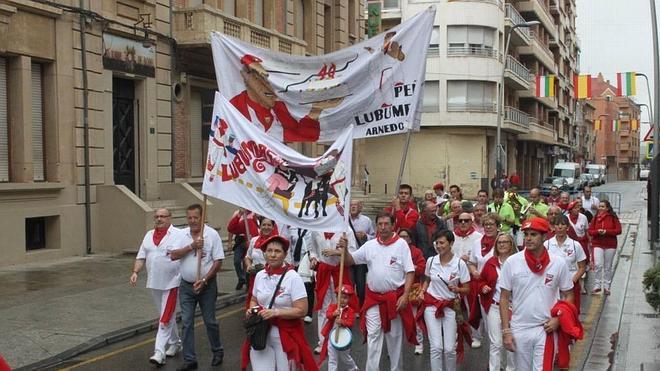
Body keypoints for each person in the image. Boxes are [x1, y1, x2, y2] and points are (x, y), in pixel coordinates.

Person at [331, 212, 417, 371]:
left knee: (394, 339)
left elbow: (410, 271)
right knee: (373, 337)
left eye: (386, 224)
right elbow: (351, 261)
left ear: (393, 226)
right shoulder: (370, 245)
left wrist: (405, 295)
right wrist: (345, 249)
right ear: (376, 226)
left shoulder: (401, 245)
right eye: (380, 224)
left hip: (394, 300)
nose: (383, 227)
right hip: (373, 300)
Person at [500, 217, 574, 371]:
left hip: (545, 328)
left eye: (533, 234)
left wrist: (558, 319)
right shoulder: (512, 262)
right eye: (526, 234)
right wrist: (506, 331)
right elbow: (504, 298)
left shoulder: (558, 263)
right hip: (519, 328)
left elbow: (569, 295)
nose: (528, 238)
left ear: (544, 237)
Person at [241, 235, 318, 371]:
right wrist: (252, 310)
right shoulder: (260, 275)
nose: (272, 255)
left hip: (286, 335)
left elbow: (302, 310)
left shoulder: (293, 277)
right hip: (260, 334)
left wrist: (276, 312)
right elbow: (254, 299)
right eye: (269, 251)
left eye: (277, 251)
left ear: (285, 254)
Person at [231, 54, 341, 142]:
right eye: (257, 78)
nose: (265, 84)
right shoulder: (234, 106)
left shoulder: (279, 107)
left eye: (267, 80)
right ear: (246, 78)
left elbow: (303, 134)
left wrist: (316, 110)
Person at [169, 204, 225, 370]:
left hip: (207, 286)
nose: (193, 221)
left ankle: (217, 350)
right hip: (186, 286)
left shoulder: (212, 234)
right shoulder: (182, 234)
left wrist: (205, 279)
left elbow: (218, 261)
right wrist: (191, 247)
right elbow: (173, 255)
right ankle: (189, 359)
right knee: (186, 322)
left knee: (210, 321)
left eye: (196, 217)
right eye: (190, 218)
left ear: (202, 218)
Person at [129, 208, 185, 366]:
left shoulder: (179, 234)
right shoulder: (148, 235)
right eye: (157, 217)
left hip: (172, 282)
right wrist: (135, 272)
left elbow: (189, 250)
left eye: (162, 216)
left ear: (170, 218)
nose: (159, 219)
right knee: (166, 315)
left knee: (165, 317)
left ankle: (159, 352)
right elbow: (141, 256)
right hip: (154, 282)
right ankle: (175, 342)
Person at [416, 229, 471, 371]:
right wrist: (422, 291)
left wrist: (458, 290)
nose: (438, 246)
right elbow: (427, 279)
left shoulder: (460, 264)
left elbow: (467, 288)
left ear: (451, 243)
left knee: (449, 348)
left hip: (451, 306)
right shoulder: (431, 261)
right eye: (436, 243)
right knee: (436, 347)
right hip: (432, 305)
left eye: (442, 243)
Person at [309, 230, 358, 353]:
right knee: (323, 308)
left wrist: (337, 252)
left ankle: (340, 338)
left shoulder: (346, 230)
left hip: (339, 271)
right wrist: (313, 258)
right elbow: (313, 249)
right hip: (324, 273)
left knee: (341, 306)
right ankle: (322, 342)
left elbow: (353, 254)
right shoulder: (316, 229)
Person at [477, 233, 516, 371]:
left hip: (514, 308)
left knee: (512, 341)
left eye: (505, 242)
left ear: (511, 244)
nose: (502, 244)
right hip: (495, 306)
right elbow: (480, 280)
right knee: (496, 343)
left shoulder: (518, 262)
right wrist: (483, 287)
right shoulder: (491, 263)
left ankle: (510, 368)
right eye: (499, 242)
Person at [452, 212, 484, 349]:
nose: (463, 223)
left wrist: (470, 261)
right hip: (454, 276)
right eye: (461, 221)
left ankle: (476, 335)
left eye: (466, 220)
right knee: (453, 307)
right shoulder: (451, 236)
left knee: (472, 307)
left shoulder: (478, 238)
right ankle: (453, 336)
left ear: (471, 222)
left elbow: (481, 259)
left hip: (470, 276)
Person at [544, 215, 587, 313]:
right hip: (551, 285)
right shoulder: (547, 244)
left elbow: (582, 267)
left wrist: (574, 279)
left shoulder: (575, 245)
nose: (560, 227)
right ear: (553, 227)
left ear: (567, 228)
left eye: (563, 224)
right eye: (557, 224)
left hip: (571, 285)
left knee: (571, 312)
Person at [398, 228, 427, 355]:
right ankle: (396, 347)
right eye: (401, 237)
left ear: (410, 238)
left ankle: (419, 344)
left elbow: (422, 269)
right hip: (396, 290)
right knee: (396, 320)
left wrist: (411, 267)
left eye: (405, 236)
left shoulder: (416, 252)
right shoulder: (393, 249)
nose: (403, 239)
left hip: (412, 289)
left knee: (415, 319)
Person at [317, 284, 359, 371]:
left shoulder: (350, 311)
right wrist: (333, 314)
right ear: (336, 297)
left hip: (344, 338)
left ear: (349, 299)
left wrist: (342, 322)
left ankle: (352, 368)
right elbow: (328, 315)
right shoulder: (333, 307)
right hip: (331, 336)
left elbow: (351, 323)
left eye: (345, 298)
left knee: (345, 357)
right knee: (332, 358)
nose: (343, 300)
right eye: (341, 297)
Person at [588, 200, 622, 295]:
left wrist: (606, 232)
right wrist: (597, 232)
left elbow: (618, 230)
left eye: (602, 206)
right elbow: (590, 231)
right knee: (598, 264)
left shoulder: (613, 218)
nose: (600, 208)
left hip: (610, 244)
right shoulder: (595, 218)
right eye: (599, 206)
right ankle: (597, 285)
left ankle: (607, 286)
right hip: (597, 243)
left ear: (607, 208)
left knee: (608, 266)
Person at [244, 217, 278, 308]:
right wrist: (249, 266)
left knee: (268, 301)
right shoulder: (254, 240)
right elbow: (248, 257)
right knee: (254, 299)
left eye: (269, 225)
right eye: (264, 225)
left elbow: (285, 261)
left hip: (271, 277)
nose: (266, 227)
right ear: (260, 226)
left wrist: (267, 268)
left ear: (273, 227)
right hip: (255, 277)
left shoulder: (277, 242)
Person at [349, 200, 374, 306]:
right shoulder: (343, 219)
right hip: (348, 256)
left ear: (360, 207)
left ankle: (361, 306)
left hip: (361, 257)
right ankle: (349, 307)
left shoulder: (366, 220)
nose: (353, 207)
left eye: (356, 205)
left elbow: (374, 237)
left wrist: (365, 236)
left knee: (360, 285)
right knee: (349, 283)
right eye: (351, 205)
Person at [227, 209, 259, 290]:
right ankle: (242, 279)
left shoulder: (256, 214)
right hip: (240, 241)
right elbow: (231, 228)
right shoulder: (241, 217)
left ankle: (247, 281)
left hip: (255, 246)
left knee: (247, 264)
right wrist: (230, 242)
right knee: (237, 261)